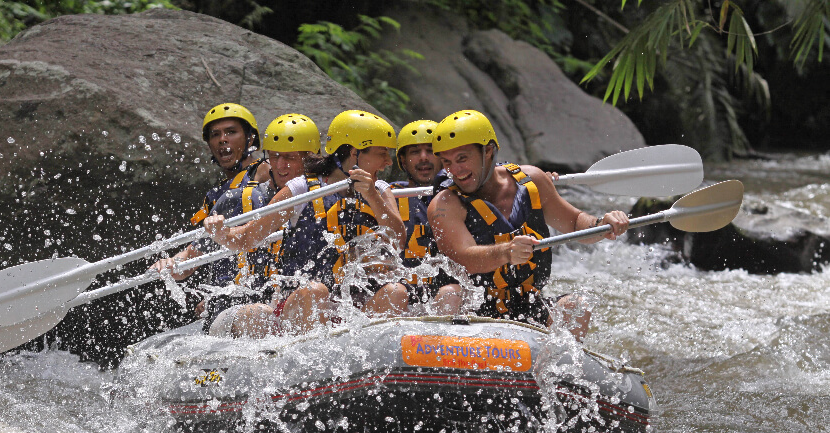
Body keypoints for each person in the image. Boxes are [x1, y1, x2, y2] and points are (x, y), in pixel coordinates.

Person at [203, 110, 408, 337]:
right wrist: (220, 232)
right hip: (300, 305)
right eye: (382, 153)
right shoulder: (301, 189)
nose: (389, 161)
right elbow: (245, 238)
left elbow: (397, 241)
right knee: (315, 291)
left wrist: (372, 196)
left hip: (351, 309)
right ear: (354, 153)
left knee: (395, 291)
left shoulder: (380, 190)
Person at [427, 110, 629, 337]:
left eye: (462, 159)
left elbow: (574, 223)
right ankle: (443, 363)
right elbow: (463, 260)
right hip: (472, 307)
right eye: (447, 162)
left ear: (488, 151)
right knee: (449, 294)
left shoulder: (531, 181)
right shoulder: (445, 205)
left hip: (526, 303)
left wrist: (603, 224)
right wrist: (505, 251)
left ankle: (557, 369)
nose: (455, 171)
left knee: (577, 306)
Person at [150, 103, 268, 306]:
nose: (223, 139)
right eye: (215, 135)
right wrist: (170, 264)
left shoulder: (268, 171)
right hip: (230, 293)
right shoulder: (217, 195)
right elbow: (191, 257)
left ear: (250, 138)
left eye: (231, 132)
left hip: (266, 285)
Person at [391, 120, 461, 314]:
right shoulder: (386, 195)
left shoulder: (460, 194)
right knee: (394, 292)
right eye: (415, 152)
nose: (423, 158)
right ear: (403, 161)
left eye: (430, 150)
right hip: (400, 296)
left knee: (452, 292)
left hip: (441, 297)